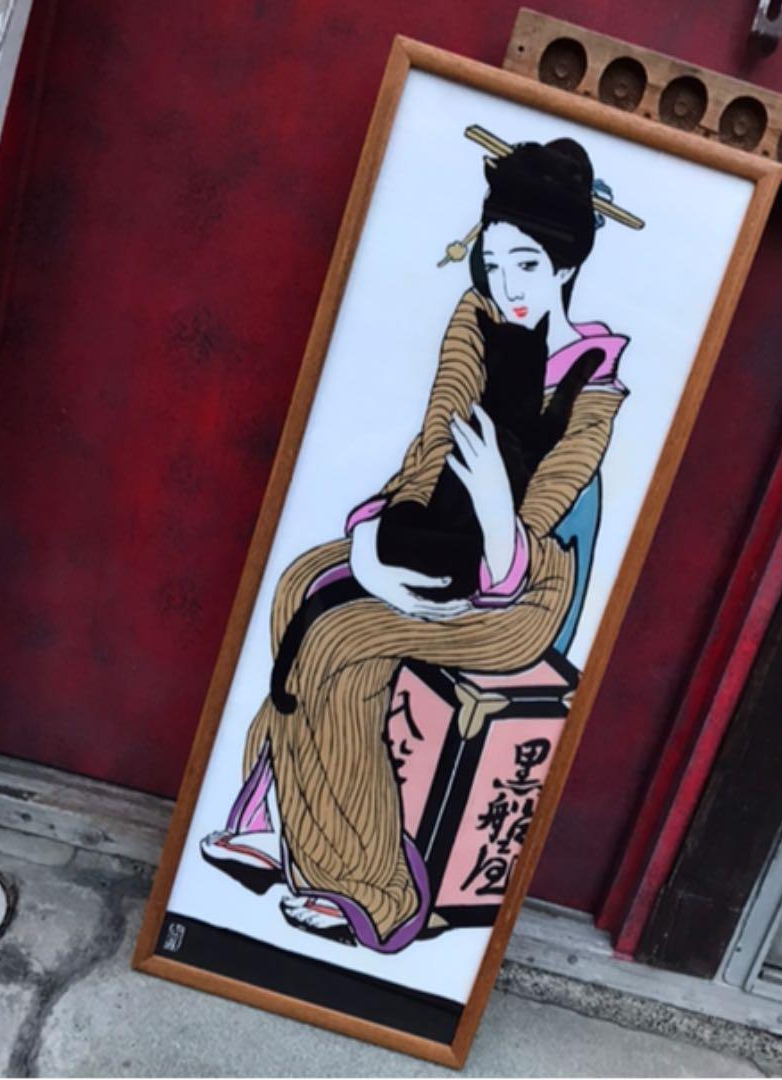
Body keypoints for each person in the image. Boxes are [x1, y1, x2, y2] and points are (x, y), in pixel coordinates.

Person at [201, 135, 630, 953]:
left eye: (528, 265)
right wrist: (372, 552)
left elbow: (540, 520)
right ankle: (278, 818)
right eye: (493, 263)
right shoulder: (477, 319)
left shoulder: (595, 381)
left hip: (519, 586)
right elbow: (434, 443)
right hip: (427, 535)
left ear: (568, 264)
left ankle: (372, 888)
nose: (507, 286)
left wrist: (496, 505)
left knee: (344, 639)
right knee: (301, 582)